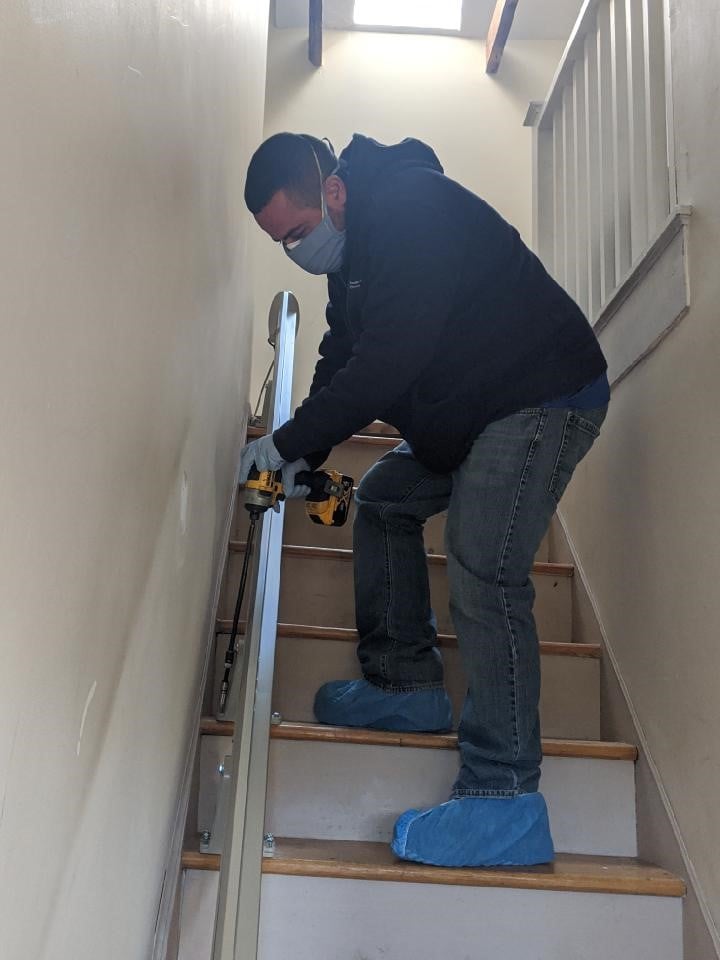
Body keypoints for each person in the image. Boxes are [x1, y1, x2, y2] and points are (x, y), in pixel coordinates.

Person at [240, 132, 609, 869]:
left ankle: (506, 800)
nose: (294, 251)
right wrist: (299, 449)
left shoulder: (413, 206)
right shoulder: (352, 268)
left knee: (482, 563)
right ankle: (407, 681)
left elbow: (389, 361)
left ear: (334, 189)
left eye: (298, 232)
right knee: (383, 497)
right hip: (475, 414)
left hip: (543, 397)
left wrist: (279, 445)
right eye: (281, 243)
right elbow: (340, 358)